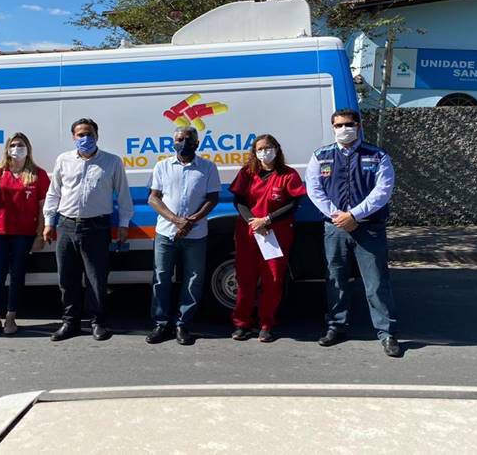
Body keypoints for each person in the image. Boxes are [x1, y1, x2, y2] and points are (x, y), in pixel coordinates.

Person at [305, 109, 401, 357]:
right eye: (338, 125)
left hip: (369, 228)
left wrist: (354, 215)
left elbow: (382, 191)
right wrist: (338, 216)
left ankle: (387, 333)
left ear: (358, 126)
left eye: (348, 124)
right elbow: (314, 190)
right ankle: (336, 326)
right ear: (333, 128)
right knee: (335, 279)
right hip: (335, 227)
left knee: (376, 282)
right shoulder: (321, 156)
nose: (343, 129)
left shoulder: (378, 156)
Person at [42, 118, 133, 341]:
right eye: (80, 135)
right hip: (66, 225)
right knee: (67, 278)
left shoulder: (112, 161)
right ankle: (70, 322)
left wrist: (124, 224)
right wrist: (48, 222)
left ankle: (98, 322)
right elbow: (54, 193)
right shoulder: (63, 160)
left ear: (97, 135)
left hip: (96, 227)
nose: (85, 138)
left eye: (89, 134)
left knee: (96, 278)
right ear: (73, 137)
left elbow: (123, 195)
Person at [145, 127, 221, 346]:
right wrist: (176, 220)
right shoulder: (162, 166)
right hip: (165, 233)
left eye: (189, 139)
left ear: (197, 143)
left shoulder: (208, 167)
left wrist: (191, 221)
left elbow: (212, 198)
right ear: (173, 142)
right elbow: (153, 198)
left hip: (196, 235)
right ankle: (161, 323)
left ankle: (182, 324)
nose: (184, 143)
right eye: (179, 139)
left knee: (193, 280)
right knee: (161, 278)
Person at [229, 134, 306, 343]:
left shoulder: (288, 174)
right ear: (254, 152)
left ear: (277, 149)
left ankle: (266, 324)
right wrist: (253, 222)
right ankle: (242, 323)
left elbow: (293, 204)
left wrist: (267, 220)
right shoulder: (247, 173)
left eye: (268, 147)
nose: (265, 152)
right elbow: (239, 201)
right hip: (249, 233)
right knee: (245, 279)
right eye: (260, 149)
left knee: (272, 280)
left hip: (276, 235)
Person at [0, 133, 50, 337]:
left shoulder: (38, 174)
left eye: (21, 145)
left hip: (24, 235)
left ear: (28, 148)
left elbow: (42, 208)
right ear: (7, 148)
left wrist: (39, 235)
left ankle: (11, 317)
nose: (17, 148)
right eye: (13, 145)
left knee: (17, 275)